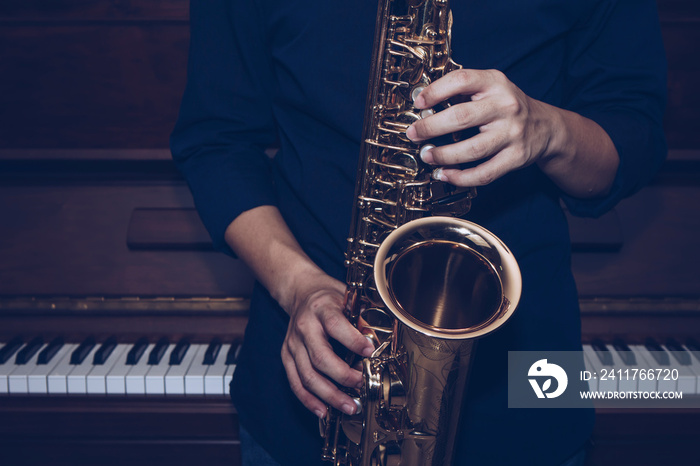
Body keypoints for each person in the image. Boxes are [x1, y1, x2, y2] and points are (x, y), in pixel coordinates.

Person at [170, 0, 667, 464]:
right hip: (316, 384)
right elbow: (216, 140)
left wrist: (548, 130)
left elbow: (635, 137)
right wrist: (298, 286)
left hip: (525, 389)